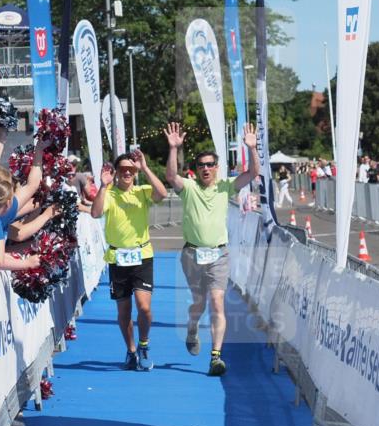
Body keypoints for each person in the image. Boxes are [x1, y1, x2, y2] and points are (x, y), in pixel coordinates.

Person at [165, 121, 259, 376]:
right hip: (192, 254)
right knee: (199, 302)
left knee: (217, 302)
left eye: (210, 164)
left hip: (219, 254)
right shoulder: (189, 188)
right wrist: (173, 148)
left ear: (217, 168)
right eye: (201, 165)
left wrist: (251, 148)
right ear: (195, 170)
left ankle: (215, 356)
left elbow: (252, 174)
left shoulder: (225, 186)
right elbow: (171, 177)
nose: (205, 168)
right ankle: (192, 328)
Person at [90, 149, 167, 371]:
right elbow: (95, 213)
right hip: (117, 258)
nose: (126, 173)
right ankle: (131, 351)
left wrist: (145, 167)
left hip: (142, 255)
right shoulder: (109, 193)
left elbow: (161, 194)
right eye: (122, 169)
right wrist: (103, 186)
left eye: (130, 170)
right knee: (123, 312)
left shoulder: (142, 192)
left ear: (135, 172)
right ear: (115, 172)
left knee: (143, 307)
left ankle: (144, 344)